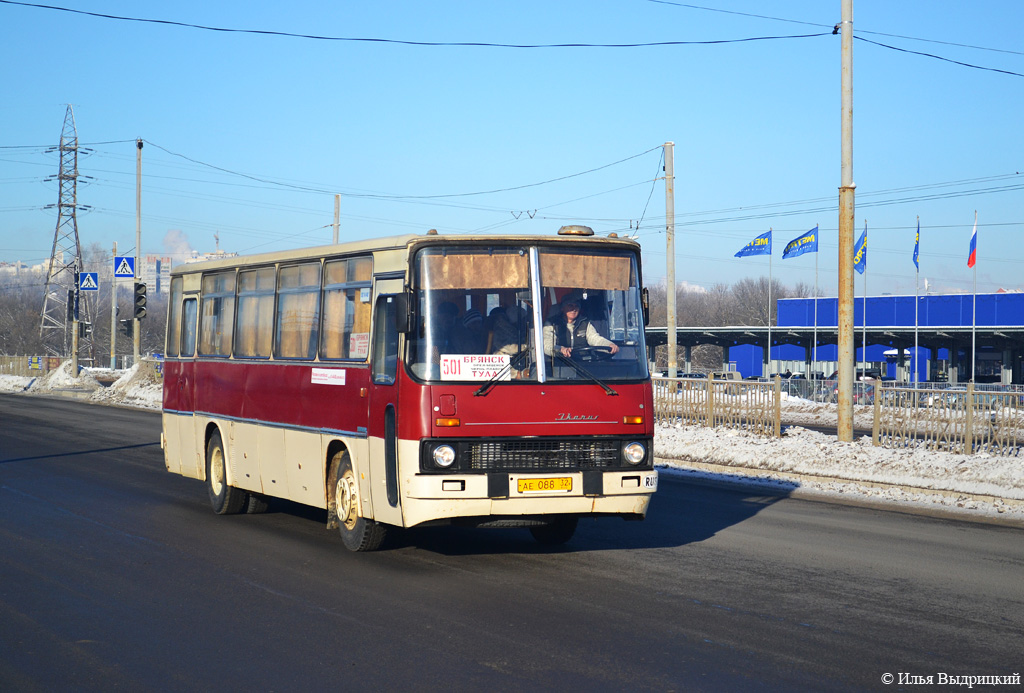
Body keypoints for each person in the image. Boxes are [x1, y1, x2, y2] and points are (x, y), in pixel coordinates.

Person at [543, 293, 619, 358]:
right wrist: (560, 349)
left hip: (583, 365)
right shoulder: (551, 324)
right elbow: (547, 345)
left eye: (576, 306)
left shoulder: (585, 323)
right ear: (562, 308)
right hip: (559, 366)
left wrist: (609, 345)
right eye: (570, 305)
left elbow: (595, 339)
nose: (574, 309)